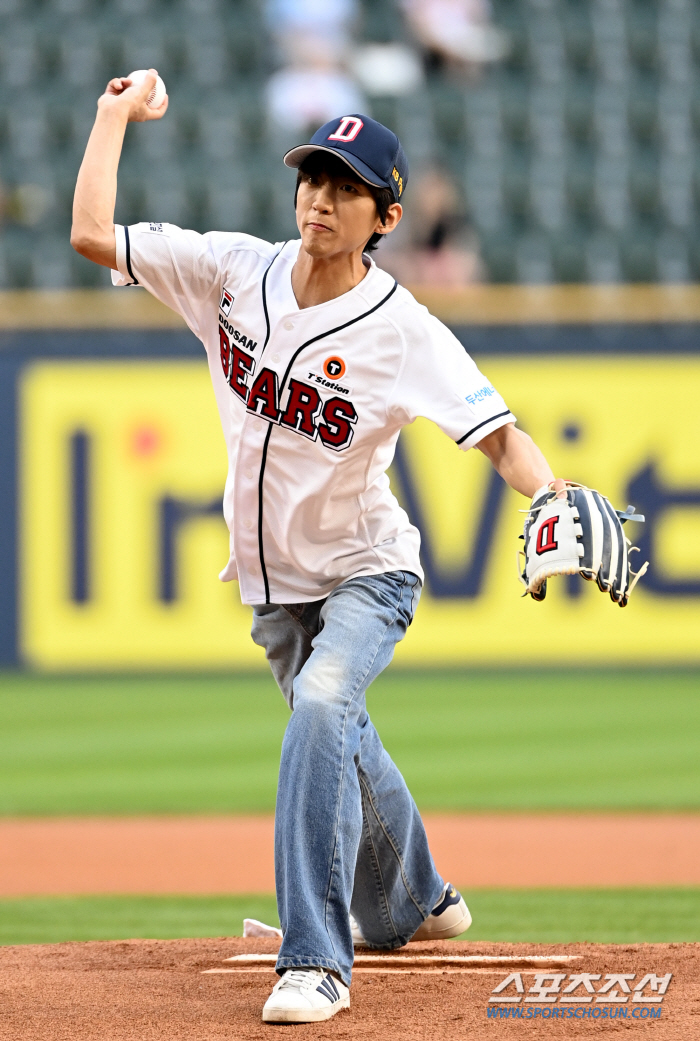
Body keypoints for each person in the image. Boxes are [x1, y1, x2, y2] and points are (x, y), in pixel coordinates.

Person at [71, 72, 566, 1025]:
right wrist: (109, 117)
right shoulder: (232, 271)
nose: (319, 199)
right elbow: (96, 234)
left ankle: (315, 960)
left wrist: (553, 491)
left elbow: (500, 432)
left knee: (326, 703)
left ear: (384, 214)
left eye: (344, 186)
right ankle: (420, 899)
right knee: (342, 734)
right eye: (311, 177)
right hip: (275, 585)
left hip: (369, 572)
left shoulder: (401, 328)